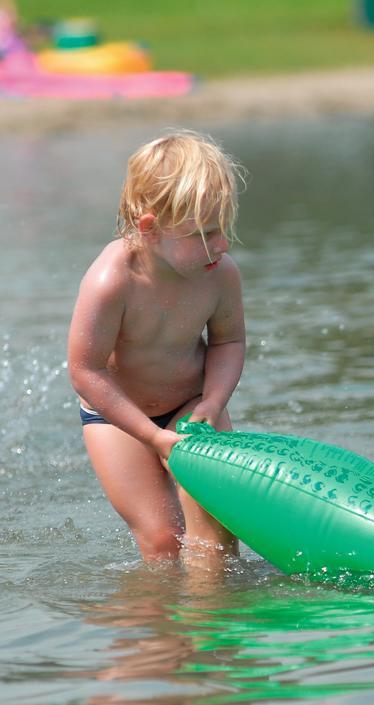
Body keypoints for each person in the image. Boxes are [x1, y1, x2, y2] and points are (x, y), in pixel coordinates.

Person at [68, 129, 247, 564]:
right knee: (163, 541)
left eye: (223, 229)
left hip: (191, 403)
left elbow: (228, 340)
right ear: (150, 230)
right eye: (205, 234)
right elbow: (86, 371)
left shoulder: (219, 274)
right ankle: (163, 630)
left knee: (217, 530)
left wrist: (213, 401)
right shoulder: (113, 282)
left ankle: (215, 621)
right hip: (117, 417)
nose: (221, 245)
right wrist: (150, 435)